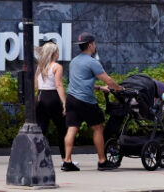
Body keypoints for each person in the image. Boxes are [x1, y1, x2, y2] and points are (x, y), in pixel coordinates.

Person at [62, 32, 123, 171]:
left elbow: (80, 82)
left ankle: (67, 161)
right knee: (98, 128)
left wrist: (99, 88)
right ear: (90, 45)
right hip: (85, 101)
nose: (95, 46)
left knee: (72, 128)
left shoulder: (74, 61)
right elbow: (107, 79)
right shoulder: (92, 62)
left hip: (71, 99)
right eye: (94, 44)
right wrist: (119, 89)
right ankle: (102, 161)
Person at [35, 41, 69, 163]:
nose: (59, 53)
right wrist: (64, 102)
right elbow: (59, 85)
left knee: (41, 129)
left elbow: (36, 84)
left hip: (41, 97)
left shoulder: (40, 66)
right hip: (53, 97)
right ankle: (65, 158)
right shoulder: (57, 67)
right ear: (54, 53)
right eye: (58, 51)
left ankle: (39, 158)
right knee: (62, 129)